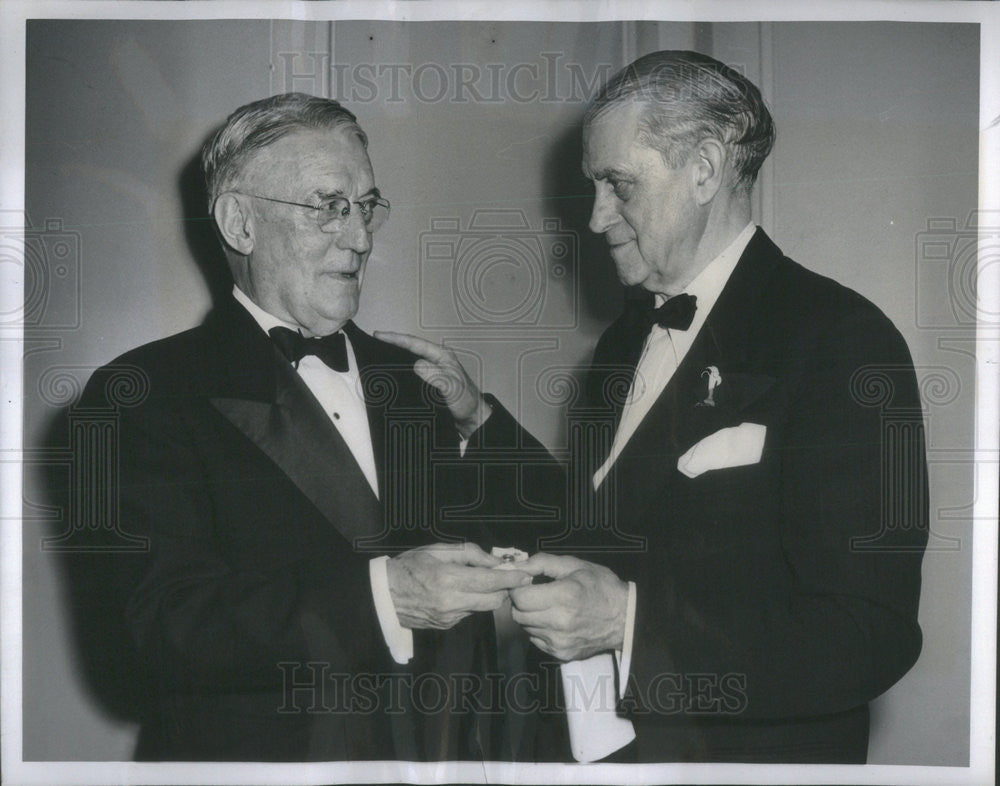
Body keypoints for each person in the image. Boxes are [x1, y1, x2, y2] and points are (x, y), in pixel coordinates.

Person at [76, 93, 553, 762]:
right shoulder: (143, 395)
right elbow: (160, 631)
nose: (359, 238)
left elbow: (566, 533)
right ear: (239, 222)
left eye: (365, 208)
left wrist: (479, 421)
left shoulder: (419, 381)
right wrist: (387, 597)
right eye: (328, 206)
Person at [505, 50, 929, 763]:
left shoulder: (842, 339)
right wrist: (475, 423)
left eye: (618, 184)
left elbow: (866, 634)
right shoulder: (621, 343)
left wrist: (630, 625)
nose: (597, 216)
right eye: (593, 186)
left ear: (703, 168)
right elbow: (603, 524)